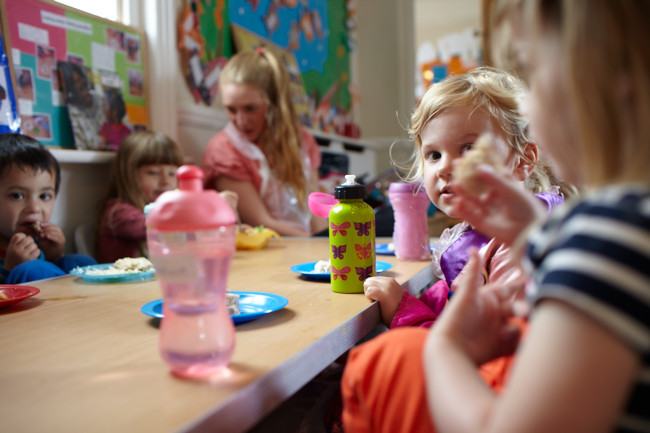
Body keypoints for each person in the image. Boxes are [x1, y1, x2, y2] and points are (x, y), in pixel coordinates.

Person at [342, 1, 650, 432]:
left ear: (611, 81)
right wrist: (532, 233)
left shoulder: (609, 237)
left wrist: (443, 349)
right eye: (433, 154)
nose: (529, 108)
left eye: (534, 71)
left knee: (378, 359)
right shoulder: (622, 223)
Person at [364, 67, 571, 329]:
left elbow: (487, 346)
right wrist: (416, 305)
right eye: (434, 155)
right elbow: (451, 300)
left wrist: (403, 312)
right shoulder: (483, 232)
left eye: (468, 148)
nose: (443, 168)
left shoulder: (518, 248)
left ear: (523, 160)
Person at [202, 47, 327, 236]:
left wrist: (326, 241)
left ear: (273, 104)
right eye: (231, 110)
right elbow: (261, 222)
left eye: (251, 108)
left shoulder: (301, 141)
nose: (240, 121)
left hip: (305, 242)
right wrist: (313, 243)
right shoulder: (223, 151)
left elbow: (316, 212)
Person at [97, 131, 237, 264]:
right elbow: (160, 226)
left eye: (172, 174)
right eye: (153, 172)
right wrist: (207, 207)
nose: (165, 181)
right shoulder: (118, 213)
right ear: (127, 174)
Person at [0, 133, 96, 284]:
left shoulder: (40, 244)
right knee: (32, 270)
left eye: (44, 196)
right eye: (17, 195)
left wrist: (54, 257)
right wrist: (9, 270)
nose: (34, 208)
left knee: (80, 262)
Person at [60, 61, 107, 151]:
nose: (81, 83)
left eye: (81, 78)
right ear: (71, 89)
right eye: (76, 82)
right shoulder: (73, 114)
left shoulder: (103, 101)